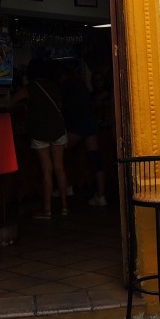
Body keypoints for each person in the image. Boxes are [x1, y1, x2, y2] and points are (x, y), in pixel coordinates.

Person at [12, 59, 68, 219]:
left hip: (40, 132)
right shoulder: (55, 86)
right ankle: (64, 207)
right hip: (58, 129)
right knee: (60, 169)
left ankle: (47, 210)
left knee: (46, 170)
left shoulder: (30, 88)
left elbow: (10, 102)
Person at [59, 60, 106, 207]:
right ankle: (101, 195)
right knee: (96, 158)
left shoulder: (66, 86)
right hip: (90, 123)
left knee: (60, 153)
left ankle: (67, 187)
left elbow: (65, 108)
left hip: (78, 125)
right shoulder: (81, 84)